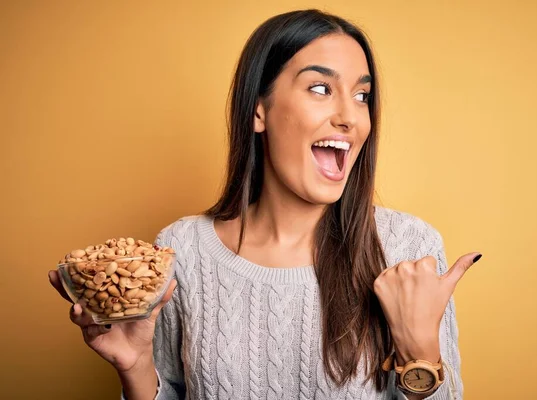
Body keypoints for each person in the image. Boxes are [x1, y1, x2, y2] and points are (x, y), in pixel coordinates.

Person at [49, 9, 482, 400]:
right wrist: (136, 368)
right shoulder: (182, 249)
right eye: (320, 88)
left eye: (362, 96)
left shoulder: (406, 247)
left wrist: (418, 347)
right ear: (259, 110)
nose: (350, 117)